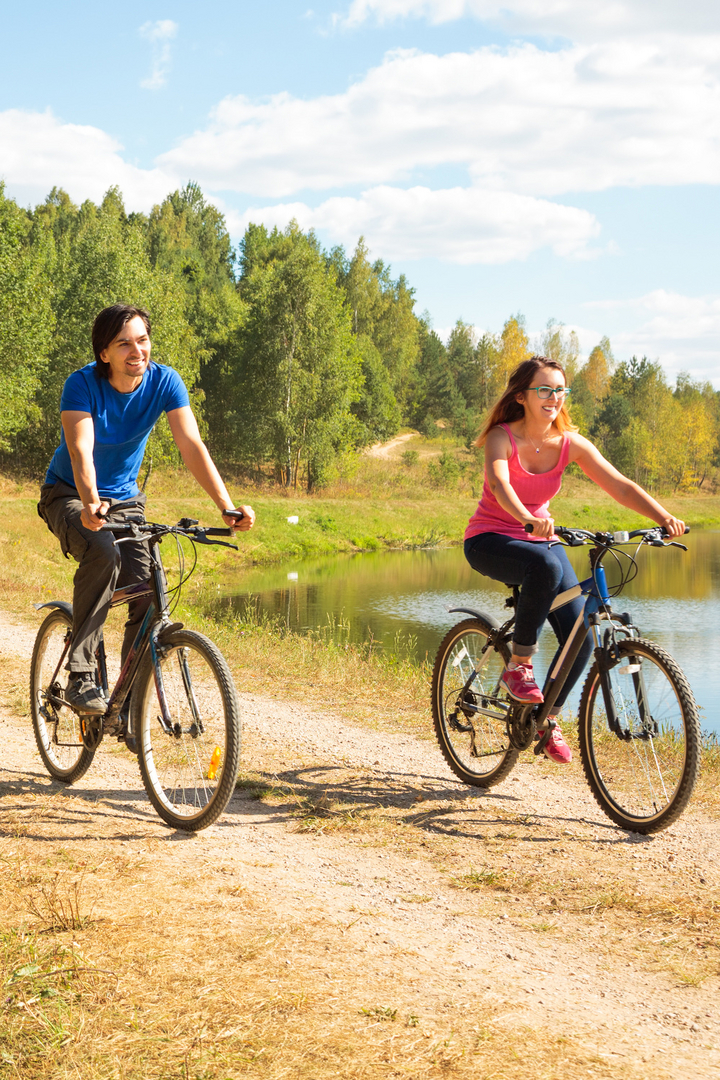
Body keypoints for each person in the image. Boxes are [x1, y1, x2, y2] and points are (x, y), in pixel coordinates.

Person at [464, 355, 685, 764]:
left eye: (560, 390)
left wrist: (664, 517)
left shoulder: (570, 443)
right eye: (544, 389)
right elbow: (499, 481)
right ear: (522, 396)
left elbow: (619, 485)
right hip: (491, 538)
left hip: (539, 540)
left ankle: (546, 719)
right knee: (545, 566)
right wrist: (528, 518)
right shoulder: (501, 436)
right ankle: (519, 665)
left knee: (583, 628)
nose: (554, 398)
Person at [38, 303, 255, 718]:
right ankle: (81, 675)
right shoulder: (81, 385)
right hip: (68, 492)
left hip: (124, 499)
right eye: (124, 344)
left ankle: (127, 705)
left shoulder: (165, 382)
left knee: (148, 590)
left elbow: (191, 445)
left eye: (142, 340)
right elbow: (81, 450)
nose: (136, 350)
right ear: (104, 353)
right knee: (103, 551)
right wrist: (87, 503)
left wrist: (226, 506)